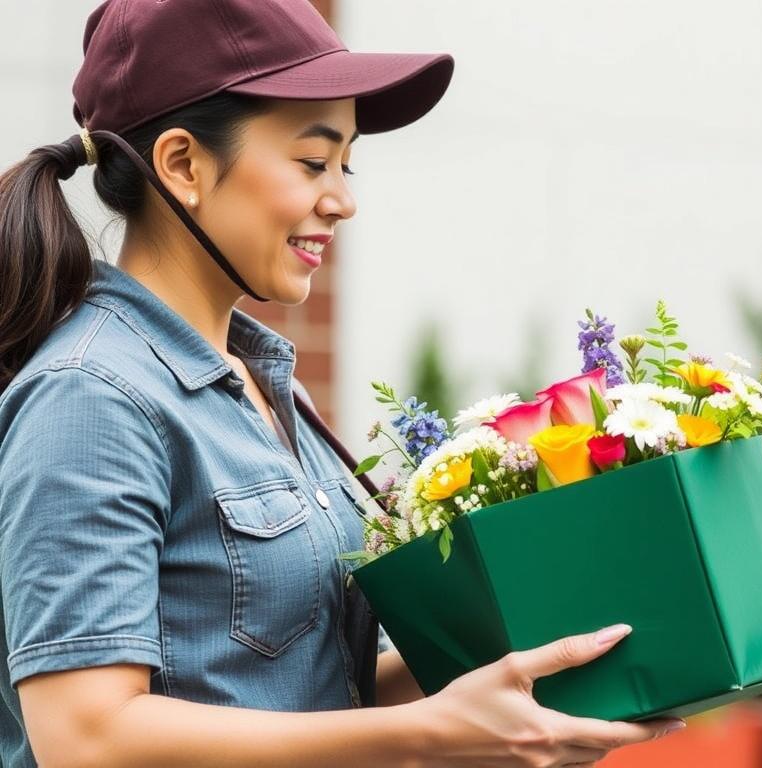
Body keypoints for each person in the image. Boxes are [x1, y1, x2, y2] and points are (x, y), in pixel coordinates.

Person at [0, 1, 685, 766]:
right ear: (183, 166)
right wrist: (432, 732)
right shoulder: (91, 398)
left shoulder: (271, 389)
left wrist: (520, 677)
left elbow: (312, 688)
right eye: (312, 161)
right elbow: (86, 738)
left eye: (346, 162)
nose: (344, 199)